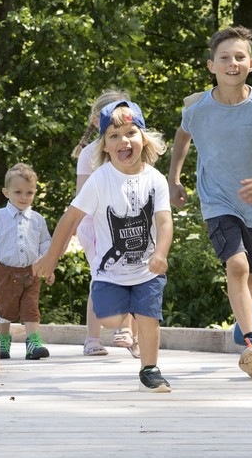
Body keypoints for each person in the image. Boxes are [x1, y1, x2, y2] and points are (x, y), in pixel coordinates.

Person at [167, 25, 252, 379]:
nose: (232, 63)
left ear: (251, 64)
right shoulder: (198, 108)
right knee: (236, 266)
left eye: (239, 57)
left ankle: (246, 315)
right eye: (224, 58)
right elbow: (182, 137)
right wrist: (174, 179)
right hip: (217, 200)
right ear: (212, 65)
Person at [35, 100, 174, 392]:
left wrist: (161, 253)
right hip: (109, 273)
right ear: (105, 146)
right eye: (114, 135)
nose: (124, 140)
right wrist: (51, 257)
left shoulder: (156, 180)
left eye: (131, 133)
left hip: (147, 270)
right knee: (110, 321)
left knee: (149, 319)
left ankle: (150, 370)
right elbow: (70, 218)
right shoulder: (100, 180)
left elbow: (164, 222)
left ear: (143, 138)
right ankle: (126, 310)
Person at [73, 88, 139, 358]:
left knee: (135, 274)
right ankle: (93, 337)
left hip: (129, 223)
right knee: (101, 276)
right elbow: (81, 196)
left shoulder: (132, 148)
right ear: (95, 120)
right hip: (96, 225)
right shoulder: (89, 154)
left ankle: (129, 332)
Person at [0, 163, 54, 361]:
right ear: (6, 192)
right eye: (18, 192)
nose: (24, 197)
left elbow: (45, 245)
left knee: (31, 307)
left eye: (29, 192)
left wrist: (49, 268)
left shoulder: (37, 219)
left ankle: (33, 342)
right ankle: (3, 340)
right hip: (6, 272)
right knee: (5, 306)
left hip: (33, 271)